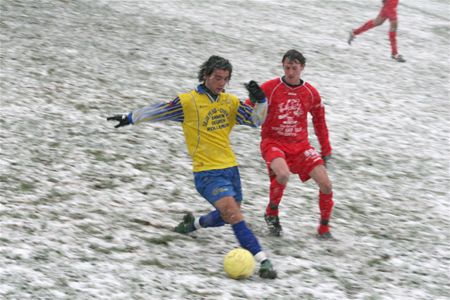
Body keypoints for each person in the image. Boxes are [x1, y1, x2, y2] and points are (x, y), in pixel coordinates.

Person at [107, 55, 277, 279]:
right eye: (217, 78)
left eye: (225, 79)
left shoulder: (231, 102)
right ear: (205, 75)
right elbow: (159, 110)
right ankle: (262, 260)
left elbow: (256, 121)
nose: (221, 83)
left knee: (227, 215)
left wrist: (261, 101)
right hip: (206, 172)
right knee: (234, 214)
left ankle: (193, 224)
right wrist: (130, 117)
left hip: (231, 169)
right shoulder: (188, 102)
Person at [247, 49, 334, 239]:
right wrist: (254, 100)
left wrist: (326, 150)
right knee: (283, 174)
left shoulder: (311, 93)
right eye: (287, 67)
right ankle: (272, 212)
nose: (291, 72)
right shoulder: (271, 87)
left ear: (302, 67)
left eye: (294, 68)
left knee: (326, 185)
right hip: (273, 142)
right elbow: (247, 112)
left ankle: (324, 229)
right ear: (283, 67)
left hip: (301, 146)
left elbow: (320, 123)